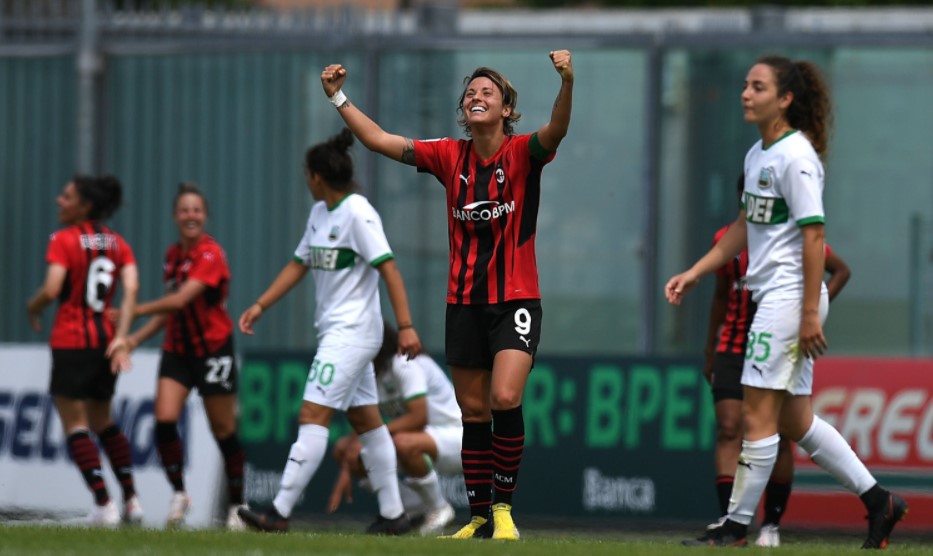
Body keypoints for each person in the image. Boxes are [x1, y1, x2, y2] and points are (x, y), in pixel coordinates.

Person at [320, 49, 574, 541]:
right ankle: (478, 517)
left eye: (488, 93)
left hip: (516, 298)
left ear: (505, 109)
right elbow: (376, 141)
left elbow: (557, 131)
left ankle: (503, 512)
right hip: (463, 303)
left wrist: (566, 82)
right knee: (474, 412)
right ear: (465, 109)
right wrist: (338, 97)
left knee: (504, 396)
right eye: (471, 93)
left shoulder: (522, 153)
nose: (477, 97)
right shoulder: (448, 155)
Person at [667, 55, 907, 549]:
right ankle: (879, 501)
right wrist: (695, 272)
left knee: (756, 418)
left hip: (787, 298)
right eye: (745, 85)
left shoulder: (796, 157)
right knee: (794, 421)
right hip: (778, 297)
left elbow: (815, 237)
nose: (745, 94)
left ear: (785, 99)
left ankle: (734, 527)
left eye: (757, 87)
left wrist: (807, 314)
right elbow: (741, 229)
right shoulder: (759, 153)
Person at [236, 128, 423, 536]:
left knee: (312, 414)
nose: (306, 180)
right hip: (338, 334)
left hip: (353, 334)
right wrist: (261, 305)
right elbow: (298, 263)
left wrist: (405, 326)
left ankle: (279, 512)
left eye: (306, 173)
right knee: (367, 423)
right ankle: (394, 515)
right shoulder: (320, 214)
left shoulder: (359, 212)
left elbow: (388, 268)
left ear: (317, 176)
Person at [702, 177, 852, 547]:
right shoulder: (729, 241)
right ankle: (729, 519)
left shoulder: (790, 239)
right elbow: (720, 296)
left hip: (778, 344)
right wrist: (710, 350)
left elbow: (839, 268)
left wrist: (813, 312)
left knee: (782, 433)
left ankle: (771, 523)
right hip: (734, 347)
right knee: (728, 427)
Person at [109, 182, 246, 530]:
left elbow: (181, 300)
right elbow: (170, 311)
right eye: (184, 210)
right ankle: (180, 494)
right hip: (178, 350)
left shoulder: (211, 254)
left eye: (196, 210)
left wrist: (132, 309)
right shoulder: (173, 257)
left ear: (205, 216)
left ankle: (237, 506)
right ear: (175, 216)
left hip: (213, 350)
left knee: (223, 430)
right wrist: (135, 339)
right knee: (165, 420)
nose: (190, 216)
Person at [26, 175, 143, 527]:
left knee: (75, 425)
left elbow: (51, 288)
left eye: (67, 196)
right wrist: (121, 336)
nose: (59, 201)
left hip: (71, 341)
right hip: (104, 342)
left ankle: (103, 503)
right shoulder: (118, 242)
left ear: (85, 206)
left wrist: (33, 307)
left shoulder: (63, 240)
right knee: (103, 421)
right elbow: (132, 288)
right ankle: (133, 500)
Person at [327, 321, 462, 536]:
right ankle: (408, 508)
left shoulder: (404, 362)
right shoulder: (374, 375)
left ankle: (439, 508)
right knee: (344, 448)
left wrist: (372, 437)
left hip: (456, 437)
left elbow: (418, 417)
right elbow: (366, 424)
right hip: (423, 438)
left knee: (401, 443)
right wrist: (348, 459)